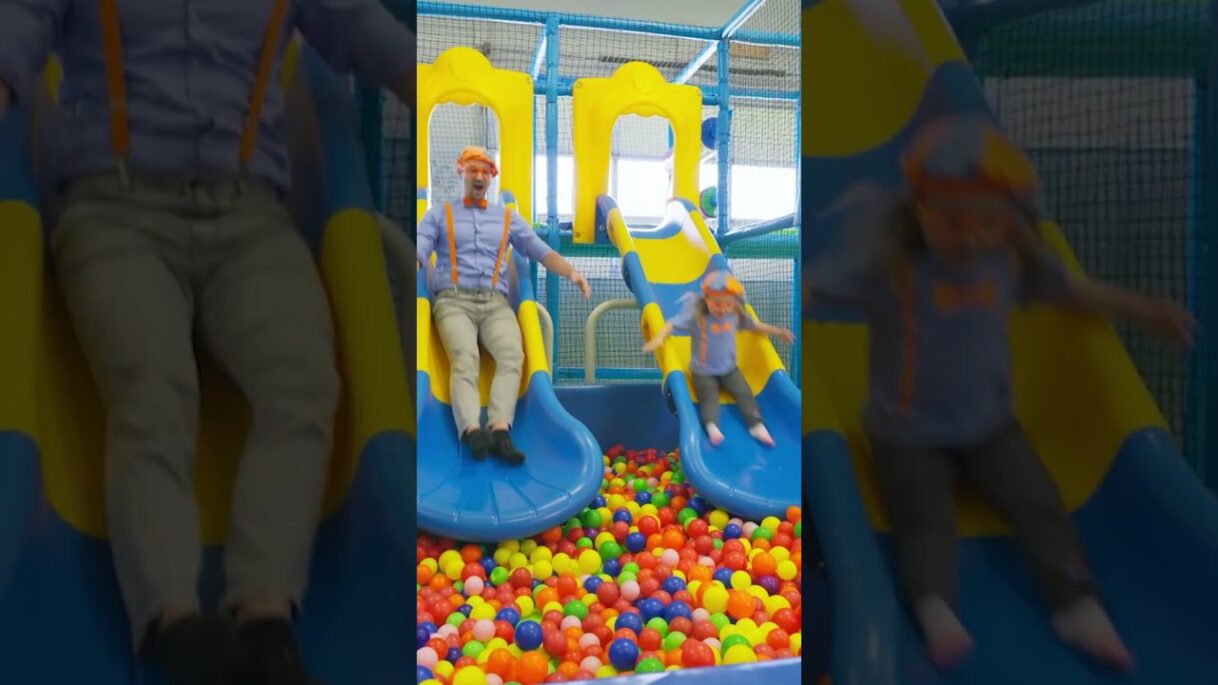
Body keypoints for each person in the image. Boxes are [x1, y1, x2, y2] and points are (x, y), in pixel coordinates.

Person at [0, 2, 415, 684]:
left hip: (249, 217)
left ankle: (264, 613)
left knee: (304, 383)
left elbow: (362, 29)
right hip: (115, 210)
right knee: (153, 392)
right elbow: (18, 26)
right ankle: (171, 618)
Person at [808, 114, 1194, 672]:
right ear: (920, 210)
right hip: (907, 435)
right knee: (925, 518)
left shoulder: (1012, 260)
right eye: (953, 222)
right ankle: (935, 607)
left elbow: (1074, 293)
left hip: (989, 426)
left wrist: (1145, 310)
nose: (972, 237)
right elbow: (815, 288)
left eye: (987, 223)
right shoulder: (891, 266)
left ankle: (1075, 604)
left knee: (1039, 502)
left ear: (1008, 220)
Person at [416, 146, 590, 463]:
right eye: (473, 170)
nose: (479, 176)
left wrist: (572, 272)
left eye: (485, 172)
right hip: (453, 301)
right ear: (461, 172)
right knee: (464, 357)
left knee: (513, 355)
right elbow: (419, 248)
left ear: (491, 178)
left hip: (495, 303)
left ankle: (500, 430)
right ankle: (471, 430)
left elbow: (538, 249)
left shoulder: (506, 217)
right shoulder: (440, 214)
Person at [642, 271, 794, 447]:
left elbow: (755, 326)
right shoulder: (698, 318)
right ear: (706, 300)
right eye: (717, 304)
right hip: (703, 372)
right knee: (709, 398)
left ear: (735, 303)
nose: (723, 309)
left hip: (729, 369)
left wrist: (778, 332)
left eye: (728, 304)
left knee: (745, 393)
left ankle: (756, 425)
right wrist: (659, 338)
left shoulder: (735, 316)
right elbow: (672, 323)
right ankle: (712, 427)